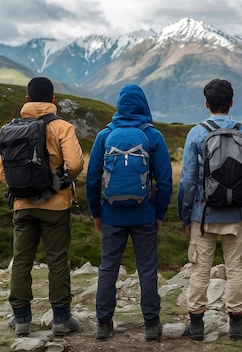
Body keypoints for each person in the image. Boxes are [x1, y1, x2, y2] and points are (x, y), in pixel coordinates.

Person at [86, 84, 173, 341]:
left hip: (111, 215)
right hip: (144, 214)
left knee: (108, 268)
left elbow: (92, 180)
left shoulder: (105, 136)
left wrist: (96, 213)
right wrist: (159, 214)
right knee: (146, 268)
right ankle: (151, 324)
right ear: (144, 105)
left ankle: (103, 323)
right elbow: (165, 182)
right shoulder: (153, 136)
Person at [0, 76, 85, 337]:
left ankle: (22, 319)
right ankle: (61, 319)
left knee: (22, 260)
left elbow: (4, 174)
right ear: (53, 100)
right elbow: (75, 165)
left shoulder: (10, 129)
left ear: (27, 100)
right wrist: (56, 184)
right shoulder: (62, 127)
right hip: (55, 207)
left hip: (21, 205)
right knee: (58, 259)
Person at [178, 78, 242, 341]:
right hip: (237, 215)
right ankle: (236, 324)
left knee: (200, 268)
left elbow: (188, 180)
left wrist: (185, 214)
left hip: (204, 215)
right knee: (236, 268)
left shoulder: (197, 133)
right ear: (232, 102)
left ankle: (197, 323)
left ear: (206, 103)